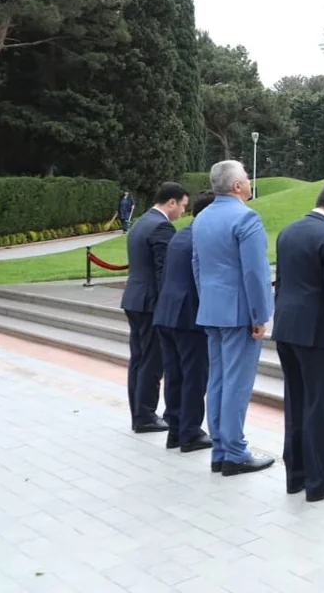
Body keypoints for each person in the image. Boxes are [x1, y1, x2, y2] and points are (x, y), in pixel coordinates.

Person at [273, 182, 324, 501]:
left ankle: (295, 475)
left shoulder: (289, 231)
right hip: (317, 334)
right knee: (319, 407)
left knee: (295, 402)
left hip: (286, 329)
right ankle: (318, 480)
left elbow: (282, 282)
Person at [191, 160, 274, 476]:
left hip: (212, 310)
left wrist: (208, 302)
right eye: (247, 178)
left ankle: (221, 451)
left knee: (218, 380)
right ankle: (235, 452)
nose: (250, 182)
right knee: (237, 384)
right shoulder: (246, 218)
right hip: (239, 312)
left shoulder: (202, 219)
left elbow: (197, 266)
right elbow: (255, 272)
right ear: (237, 186)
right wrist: (260, 314)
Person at [120, 182, 189, 433]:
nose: (182, 211)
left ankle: (139, 412)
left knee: (138, 359)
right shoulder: (161, 226)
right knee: (151, 360)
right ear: (171, 202)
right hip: (150, 303)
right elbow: (164, 272)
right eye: (182, 206)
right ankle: (146, 415)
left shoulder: (140, 222)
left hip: (134, 298)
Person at [153, 190, 216, 453]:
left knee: (175, 374)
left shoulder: (181, 234)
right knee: (194, 375)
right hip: (188, 316)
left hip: (167, 312)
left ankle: (176, 429)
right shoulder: (203, 237)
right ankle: (190, 432)